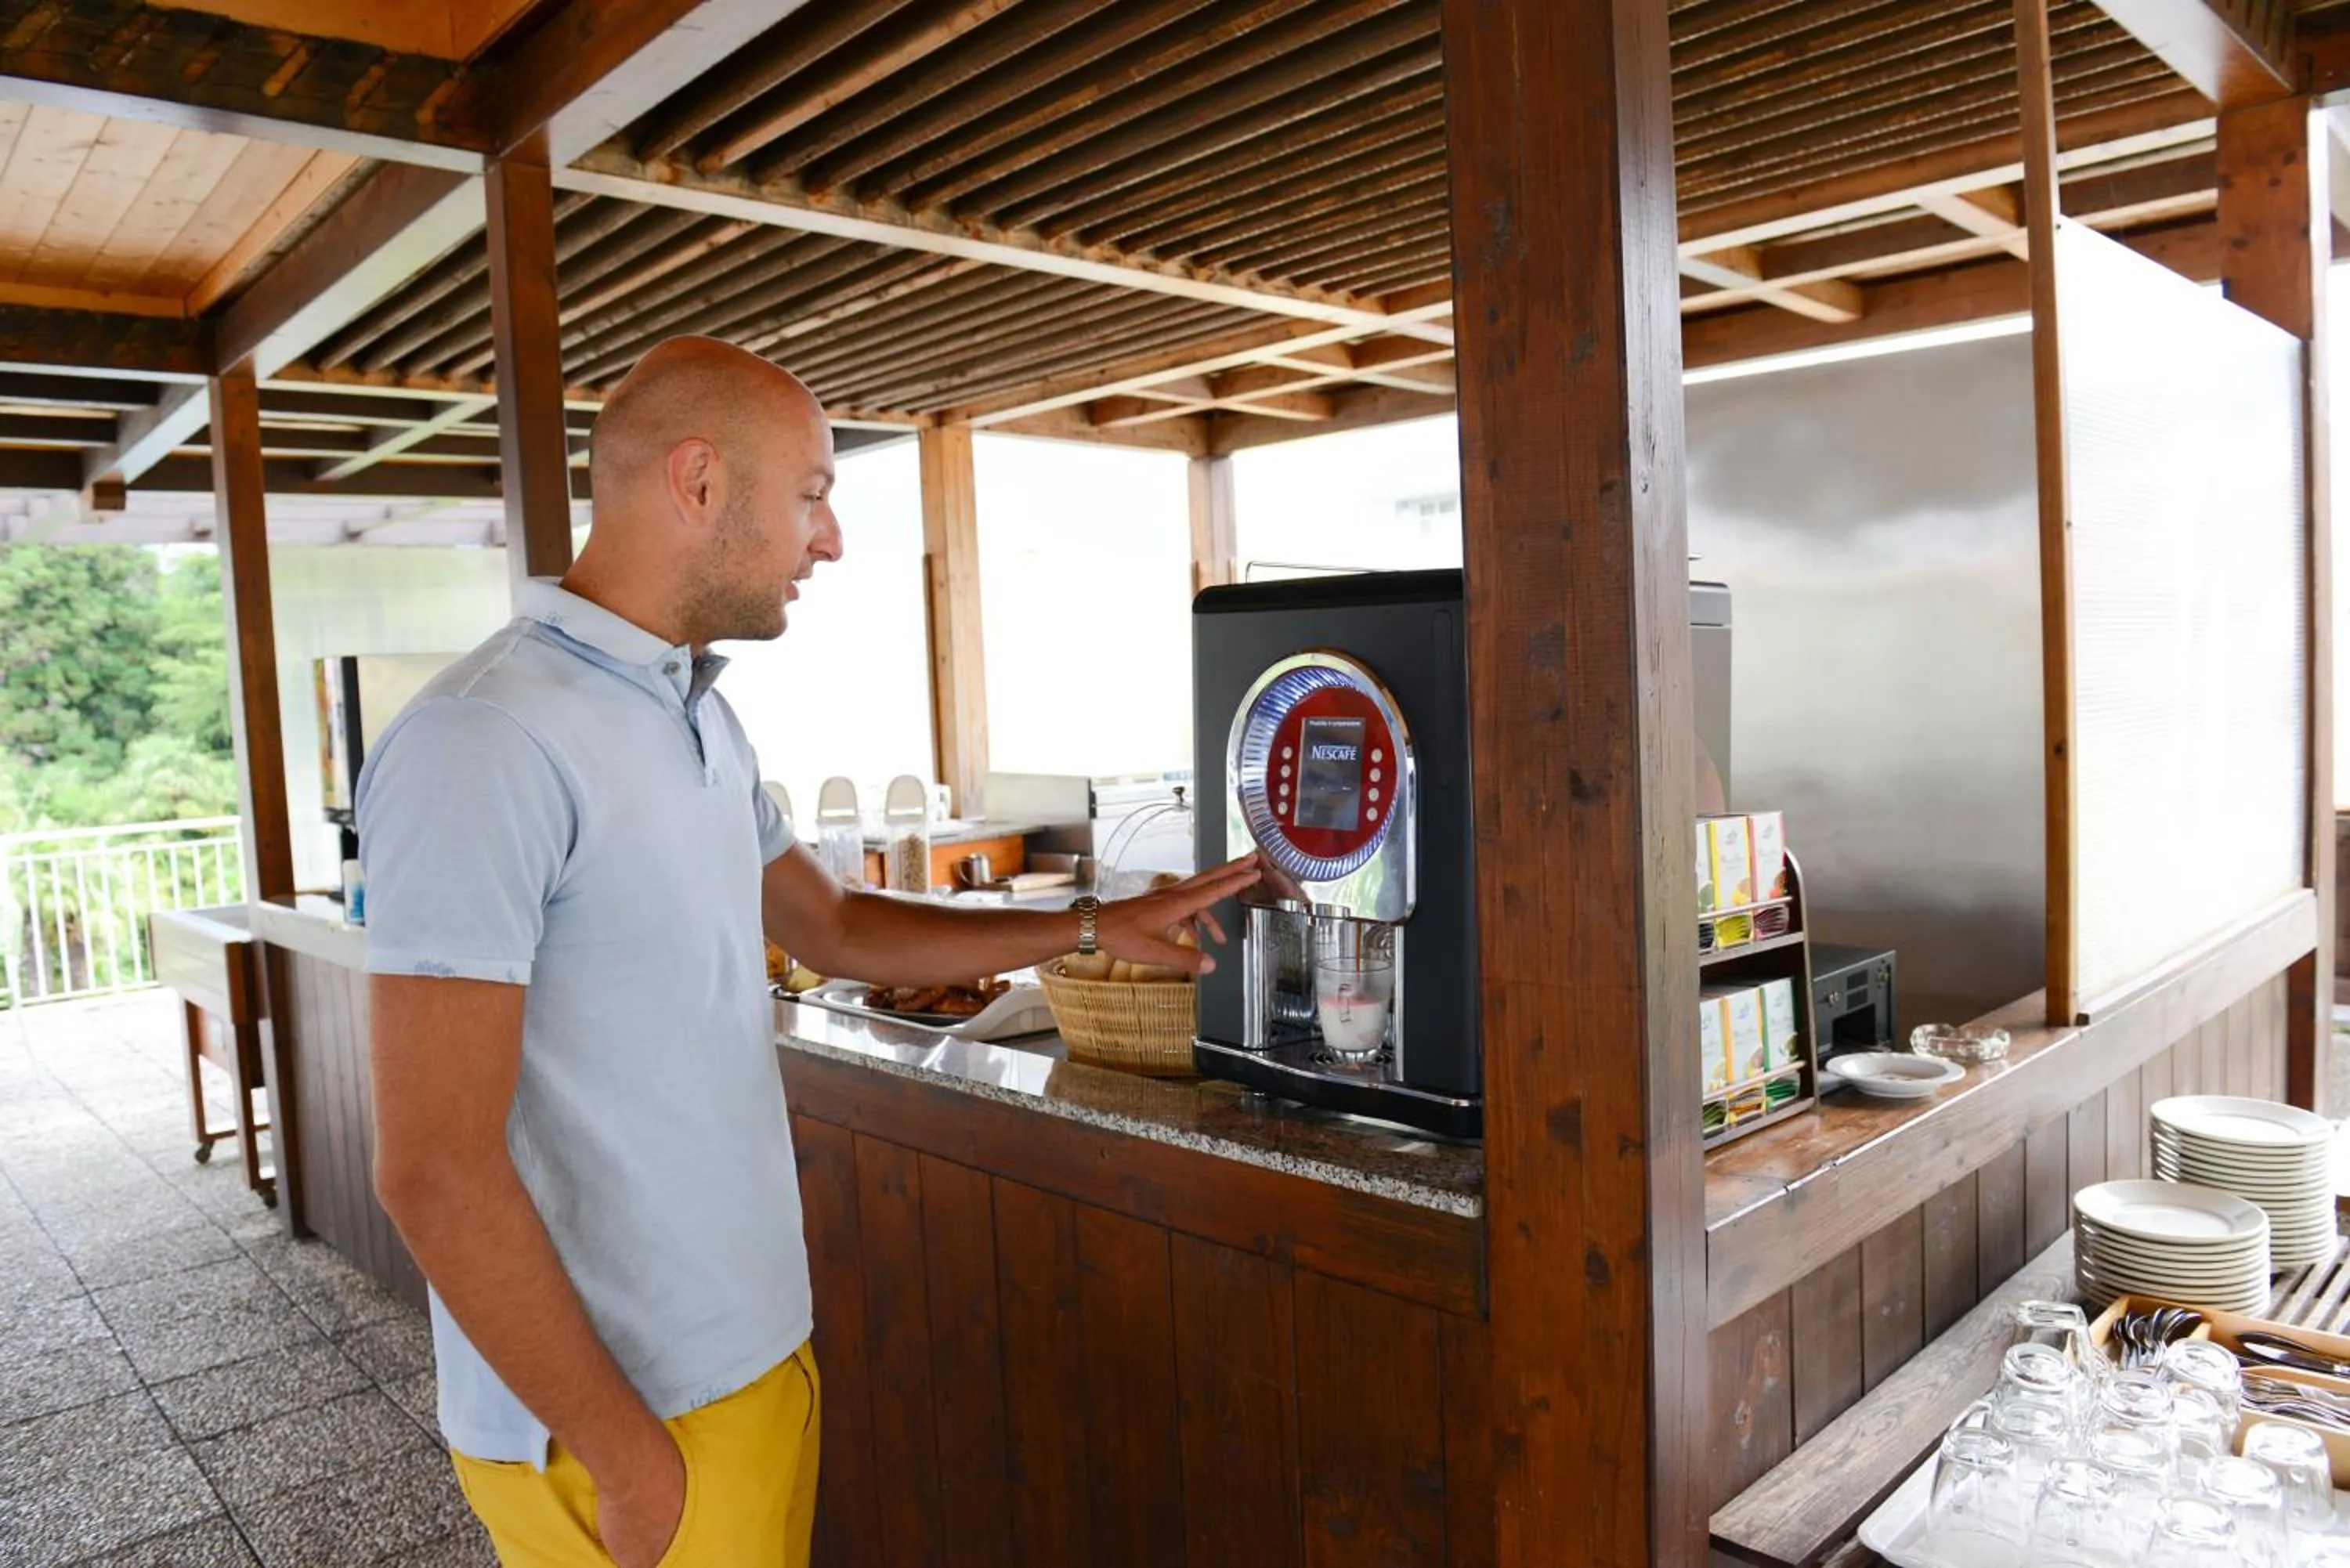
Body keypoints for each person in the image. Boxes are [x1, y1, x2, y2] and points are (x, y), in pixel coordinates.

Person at [358, 335, 1260, 1567]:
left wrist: (1094, 923)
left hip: (748, 1365)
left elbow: (830, 924)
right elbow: (432, 1168)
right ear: (699, 482)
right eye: (815, 493)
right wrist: (630, 1466)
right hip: (631, 1426)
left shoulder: (694, 710)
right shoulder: (485, 740)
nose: (829, 539)